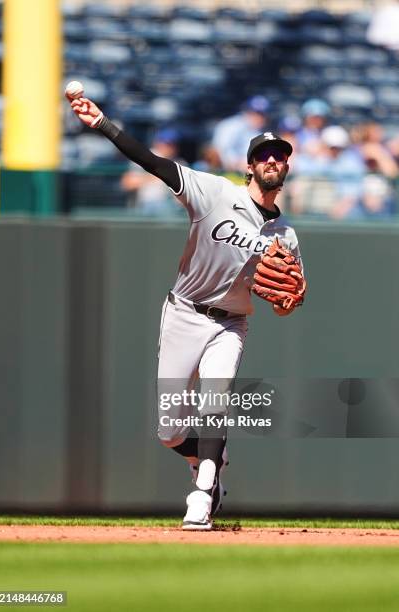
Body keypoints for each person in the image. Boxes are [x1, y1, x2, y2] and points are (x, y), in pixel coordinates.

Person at [67, 93, 304, 531]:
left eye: (280, 155)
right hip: (183, 314)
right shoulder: (213, 192)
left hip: (230, 323)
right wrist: (102, 123)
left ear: (287, 167)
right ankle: (207, 458)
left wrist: (289, 304)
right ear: (249, 166)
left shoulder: (285, 235)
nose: (273, 160)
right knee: (170, 432)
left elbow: (288, 299)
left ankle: (203, 492)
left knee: (217, 396)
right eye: (264, 155)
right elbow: (153, 163)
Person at [120, 127, 186, 216]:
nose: (170, 147)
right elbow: (127, 183)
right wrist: (153, 177)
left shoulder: (180, 162)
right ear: (157, 143)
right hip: (144, 205)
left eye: (173, 144)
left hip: (170, 207)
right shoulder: (145, 157)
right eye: (167, 143)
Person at [212, 95, 271, 173]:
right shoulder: (231, 125)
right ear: (247, 112)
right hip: (224, 171)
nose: (259, 117)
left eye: (262, 114)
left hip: (249, 173)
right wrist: (238, 163)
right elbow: (219, 150)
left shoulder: (260, 133)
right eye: (255, 113)